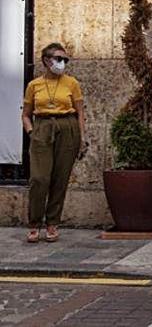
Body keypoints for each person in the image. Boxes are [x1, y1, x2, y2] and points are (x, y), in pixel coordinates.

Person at [21, 43, 85, 243]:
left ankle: (52, 223)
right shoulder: (34, 85)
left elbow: (80, 112)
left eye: (65, 60)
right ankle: (34, 223)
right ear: (47, 61)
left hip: (67, 126)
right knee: (39, 178)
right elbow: (25, 114)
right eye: (59, 59)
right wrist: (31, 132)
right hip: (42, 126)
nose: (62, 63)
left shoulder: (71, 83)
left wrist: (82, 137)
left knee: (60, 178)